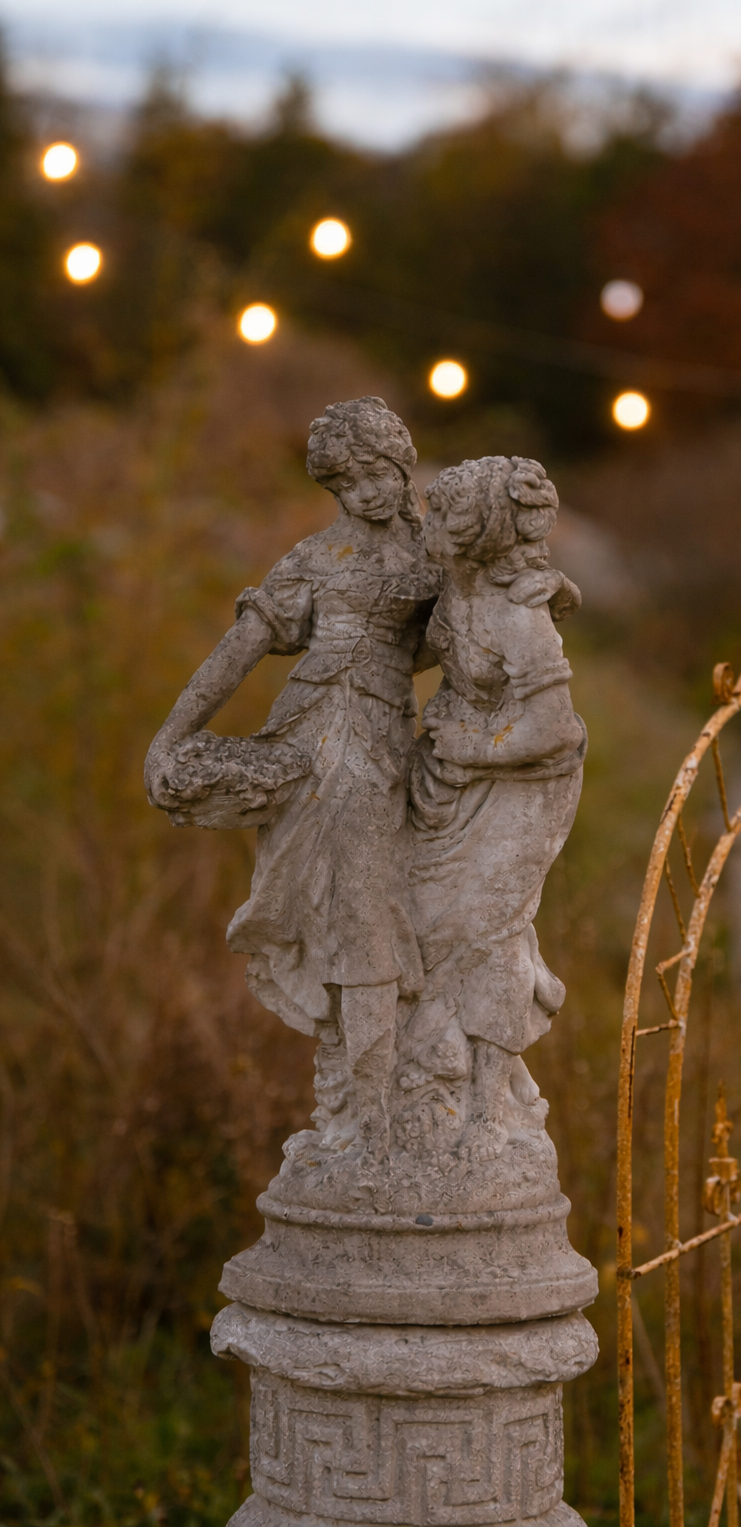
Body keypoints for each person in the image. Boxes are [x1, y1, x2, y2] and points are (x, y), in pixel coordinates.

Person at [145, 397, 439, 1187]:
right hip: (311, 741)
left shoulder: (440, 552)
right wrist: (171, 735)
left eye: (375, 473)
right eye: (345, 483)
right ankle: (355, 1118)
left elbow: (490, 632)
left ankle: (369, 1121)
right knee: (341, 919)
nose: (365, 493)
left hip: (379, 747)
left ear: (402, 465)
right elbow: (241, 647)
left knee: (365, 918)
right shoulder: (316, 559)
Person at [405, 455, 585, 1163]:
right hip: (450, 777)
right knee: (428, 929)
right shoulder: (458, 586)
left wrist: (475, 745)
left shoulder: (518, 615)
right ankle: (459, 1085)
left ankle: (487, 1110)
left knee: (487, 930)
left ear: (480, 529)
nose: (431, 524)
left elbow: (556, 729)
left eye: (446, 515)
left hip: (523, 779)